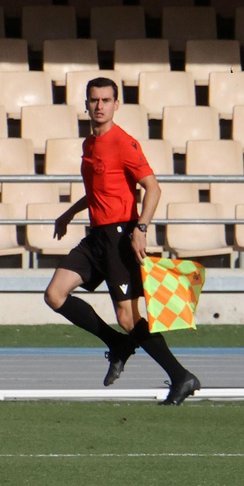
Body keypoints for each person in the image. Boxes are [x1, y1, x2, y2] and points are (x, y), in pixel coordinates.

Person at [44, 77, 199, 405]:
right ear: (86, 104)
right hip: (95, 237)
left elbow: (153, 188)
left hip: (120, 236)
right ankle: (116, 343)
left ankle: (181, 376)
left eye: (106, 100)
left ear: (117, 105)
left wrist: (141, 229)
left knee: (129, 317)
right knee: (55, 294)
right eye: (94, 100)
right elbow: (98, 189)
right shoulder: (89, 144)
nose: (99, 106)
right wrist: (70, 213)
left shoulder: (123, 143)